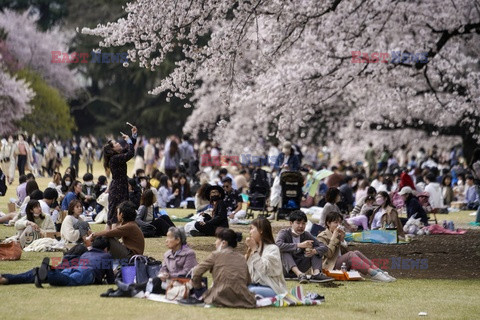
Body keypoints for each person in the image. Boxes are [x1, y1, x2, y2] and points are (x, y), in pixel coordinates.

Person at [102, 227, 197, 297]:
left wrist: (170, 275)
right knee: (154, 281)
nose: (166, 241)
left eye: (169, 238)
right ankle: (121, 291)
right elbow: (163, 268)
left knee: (154, 282)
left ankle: (123, 289)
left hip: (181, 283)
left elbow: (188, 272)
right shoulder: (168, 254)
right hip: (167, 282)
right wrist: (163, 274)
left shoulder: (189, 254)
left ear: (178, 240)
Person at [0, 237, 115, 287]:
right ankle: (49, 272)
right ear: (105, 249)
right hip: (87, 272)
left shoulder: (85, 254)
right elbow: (110, 278)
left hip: (75, 268)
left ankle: (48, 272)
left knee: (63, 276)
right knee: (68, 280)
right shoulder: (106, 255)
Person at [318, 211, 395, 282]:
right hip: (329, 266)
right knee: (351, 254)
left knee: (356, 252)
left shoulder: (337, 234)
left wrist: (342, 240)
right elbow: (328, 254)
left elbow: (344, 254)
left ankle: (380, 272)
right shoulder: (322, 236)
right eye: (335, 222)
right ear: (328, 223)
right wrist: (333, 238)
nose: (338, 225)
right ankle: (374, 274)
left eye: (340, 223)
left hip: (340, 265)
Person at [188, 228, 256, 307]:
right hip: (243, 298)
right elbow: (247, 281)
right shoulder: (241, 258)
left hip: (220, 296)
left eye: (217, 240)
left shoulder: (215, 255)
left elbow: (196, 272)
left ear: (223, 243)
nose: (215, 243)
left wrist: (199, 288)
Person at [275, 210, 332, 283]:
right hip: (285, 269)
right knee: (284, 251)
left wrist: (314, 251)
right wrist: (299, 245)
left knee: (316, 251)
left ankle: (316, 274)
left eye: (303, 223)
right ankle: (300, 274)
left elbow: (323, 246)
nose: (301, 226)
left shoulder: (306, 235)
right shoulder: (284, 233)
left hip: (301, 265)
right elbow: (277, 245)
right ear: (291, 223)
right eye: (298, 223)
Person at [103, 126, 137, 228]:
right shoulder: (115, 158)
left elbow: (128, 148)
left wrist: (133, 136)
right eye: (116, 144)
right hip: (118, 188)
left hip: (119, 186)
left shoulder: (117, 156)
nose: (118, 143)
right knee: (115, 215)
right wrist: (129, 140)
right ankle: (110, 237)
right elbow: (130, 153)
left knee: (116, 213)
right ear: (112, 149)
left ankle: (109, 237)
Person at [245, 218, 287, 297]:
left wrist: (254, 251)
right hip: (253, 285)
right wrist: (247, 255)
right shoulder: (254, 249)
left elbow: (264, 269)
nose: (250, 232)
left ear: (261, 230)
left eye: (252, 229)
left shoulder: (273, 249)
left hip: (271, 288)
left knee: (251, 291)